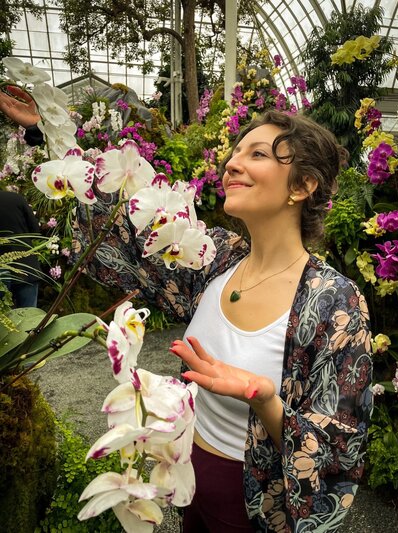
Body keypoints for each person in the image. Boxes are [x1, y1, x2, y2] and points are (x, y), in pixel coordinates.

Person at [71, 110, 373, 533]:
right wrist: (44, 132)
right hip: (185, 483)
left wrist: (266, 400)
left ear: (303, 186)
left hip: (253, 508)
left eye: (258, 154)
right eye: (235, 151)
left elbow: (341, 446)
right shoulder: (215, 258)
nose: (231, 163)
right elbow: (118, 231)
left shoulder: (333, 302)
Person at [0, 190, 42, 307]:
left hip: (1, 269)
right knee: (29, 317)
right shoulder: (16, 198)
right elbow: (35, 231)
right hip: (25, 265)